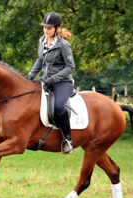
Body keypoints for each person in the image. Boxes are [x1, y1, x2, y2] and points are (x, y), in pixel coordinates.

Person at [28, 12, 75, 154]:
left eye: (49, 28)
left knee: (59, 107)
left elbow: (70, 67)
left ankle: (68, 140)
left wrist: (53, 79)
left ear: (56, 28)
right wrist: (30, 76)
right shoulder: (42, 40)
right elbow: (39, 60)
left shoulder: (64, 45)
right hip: (45, 80)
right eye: (44, 28)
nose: (46, 30)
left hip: (62, 82)